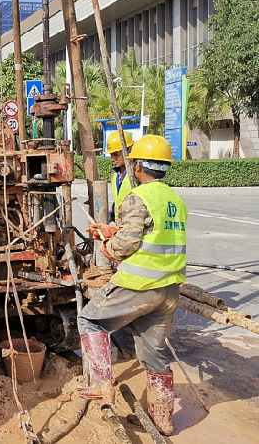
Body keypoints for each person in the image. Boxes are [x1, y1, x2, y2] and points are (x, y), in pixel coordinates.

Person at [77, 134, 187, 436]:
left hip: (140, 283)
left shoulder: (138, 196)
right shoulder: (173, 198)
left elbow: (125, 246)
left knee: (89, 319)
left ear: (138, 165)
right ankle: (162, 420)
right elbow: (153, 234)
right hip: (168, 288)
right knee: (154, 354)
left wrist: (108, 245)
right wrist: (115, 230)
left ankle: (101, 384)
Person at [106, 130, 134, 221]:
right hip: (121, 228)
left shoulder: (136, 175)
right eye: (111, 155)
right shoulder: (115, 176)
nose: (112, 159)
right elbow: (118, 201)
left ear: (128, 150)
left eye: (116, 155)